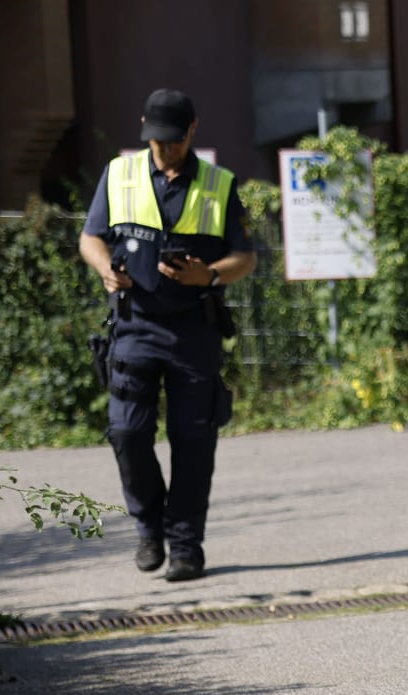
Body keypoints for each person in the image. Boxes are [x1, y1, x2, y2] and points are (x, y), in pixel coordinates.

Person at [78, 88, 256, 583]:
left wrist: (211, 276)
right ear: (144, 130)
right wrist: (105, 272)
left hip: (193, 330)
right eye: (156, 141)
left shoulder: (219, 184)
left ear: (192, 130)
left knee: (193, 441)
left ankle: (185, 547)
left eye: (174, 141)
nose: (165, 150)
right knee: (128, 432)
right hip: (134, 325)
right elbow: (90, 238)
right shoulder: (120, 174)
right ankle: (149, 529)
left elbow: (246, 256)